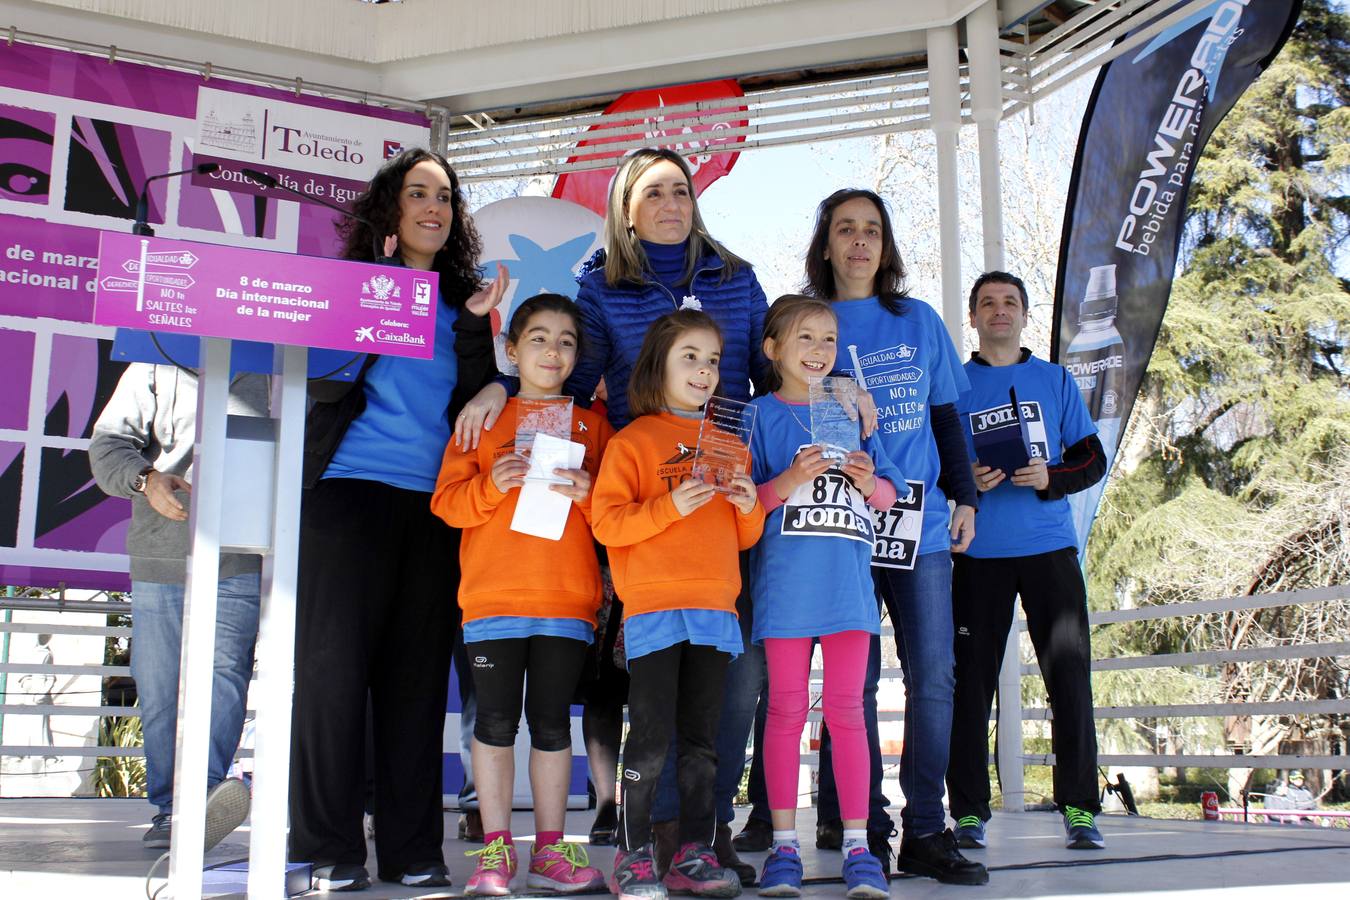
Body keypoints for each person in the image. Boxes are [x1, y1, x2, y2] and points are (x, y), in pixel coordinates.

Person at [457, 147, 771, 880]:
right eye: (653, 191)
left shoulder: (738, 278)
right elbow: (565, 375)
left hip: (721, 505)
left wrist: (836, 394)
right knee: (644, 705)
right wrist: (495, 390)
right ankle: (645, 840)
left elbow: (776, 364)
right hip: (640, 508)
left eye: (681, 190)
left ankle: (703, 830)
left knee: (728, 690)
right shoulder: (599, 286)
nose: (671, 202)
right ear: (625, 210)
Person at [288, 148, 507, 893]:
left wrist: (494, 384)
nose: (434, 207)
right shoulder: (349, 289)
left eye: (445, 196)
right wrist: (379, 296)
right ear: (391, 207)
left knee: (417, 685)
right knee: (332, 679)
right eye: (418, 193)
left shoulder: (465, 304)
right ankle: (328, 848)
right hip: (346, 497)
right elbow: (318, 379)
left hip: (434, 509)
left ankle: (415, 848)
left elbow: (477, 394)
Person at [804, 189, 986, 885]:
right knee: (853, 678)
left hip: (922, 519)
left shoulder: (917, 320)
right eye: (845, 229)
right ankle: (863, 827)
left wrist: (965, 495)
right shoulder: (807, 321)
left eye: (871, 230)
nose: (858, 242)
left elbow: (945, 416)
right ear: (826, 243)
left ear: (885, 245)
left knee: (934, 676)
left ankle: (928, 831)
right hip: (841, 520)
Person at [431, 294, 614, 895]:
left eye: (565, 341)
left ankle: (552, 850)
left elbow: (615, 518)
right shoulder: (482, 419)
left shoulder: (594, 426)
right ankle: (495, 849)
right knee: (495, 723)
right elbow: (446, 504)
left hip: (566, 603)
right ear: (510, 350)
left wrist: (589, 492)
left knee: (554, 724)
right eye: (538, 338)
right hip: (492, 601)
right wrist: (490, 485)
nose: (552, 351)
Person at [591, 310, 765, 900]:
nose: (705, 369)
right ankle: (634, 852)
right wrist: (673, 506)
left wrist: (746, 504)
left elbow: (744, 538)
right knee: (649, 736)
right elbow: (607, 523)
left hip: (715, 611)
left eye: (713, 359)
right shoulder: (632, 440)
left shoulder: (728, 443)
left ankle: (693, 852)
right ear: (659, 363)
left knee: (702, 740)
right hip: (655, 611)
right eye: (690, 356)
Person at [945, 271, 1107, 852]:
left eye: (1009, 302)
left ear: (1023, 314)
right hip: (977, 556)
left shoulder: (1055, 379)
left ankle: (1081, 811)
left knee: (1069, 677)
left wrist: (1049, 478)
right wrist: (967, 481)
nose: (998, 311)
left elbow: (1092, 460)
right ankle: (967, 813)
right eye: (987, 303)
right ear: (973, 317)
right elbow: (937, 466)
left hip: (1049, 551)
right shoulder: (954, 384)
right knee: (970, 686)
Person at [747, 296, 901, 899]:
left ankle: (860, 848)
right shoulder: (758, 416)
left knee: (847, 716)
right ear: (773, 349)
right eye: (805, 338)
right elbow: (746, 505)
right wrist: (789, 480)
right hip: (785, 590)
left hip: (848, 593)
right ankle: (784, 848)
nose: (819, 351)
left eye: (829, 340)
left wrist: (869, 481)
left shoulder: (853, 410)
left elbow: (889, 493)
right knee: (784, 713)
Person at [89, 362, 266, 848]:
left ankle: (202, 803)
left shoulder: (282, 360)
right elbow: (107, 446)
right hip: (162, 551)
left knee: (224, 670)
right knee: (159, 680)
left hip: (248, 553)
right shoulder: (154, 362)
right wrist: (147, 479)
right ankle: (171, 809)